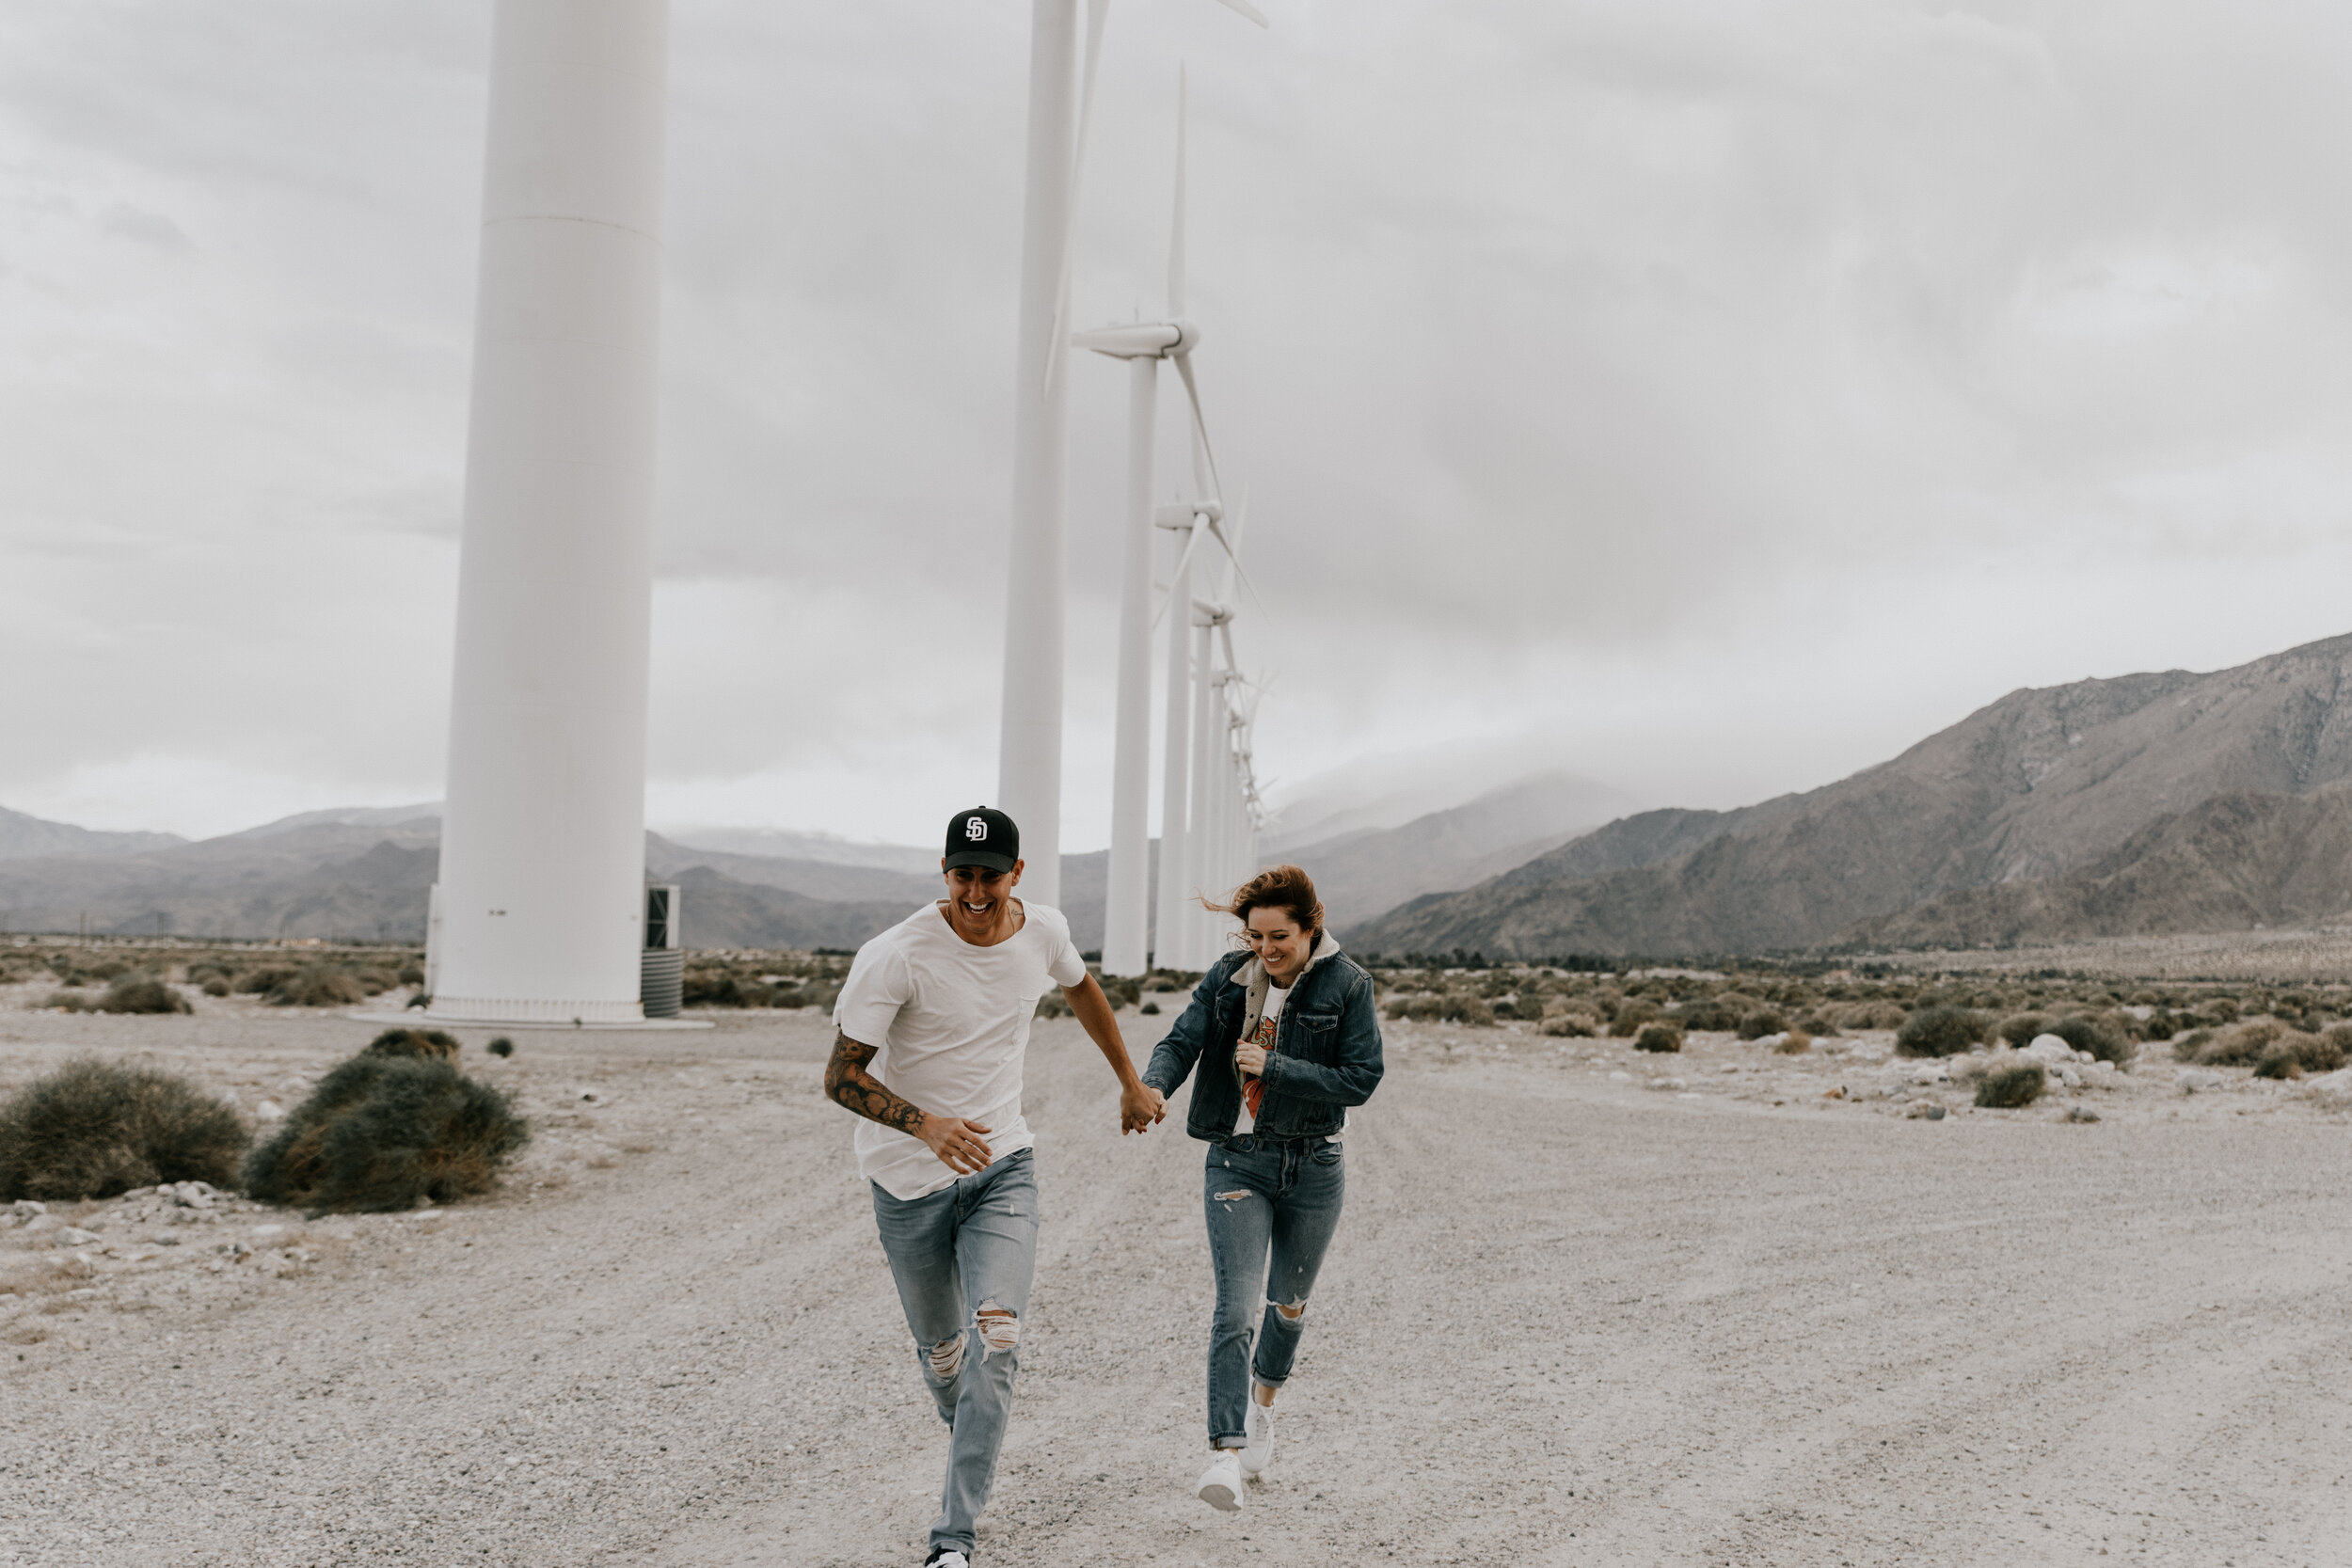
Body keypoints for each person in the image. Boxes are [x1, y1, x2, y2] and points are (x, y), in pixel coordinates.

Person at [825, 805, 1166, 1568]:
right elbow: (839, 1075)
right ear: (944, 875)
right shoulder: (896, 956)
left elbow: (1082, 988)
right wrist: (924, 1125)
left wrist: (1129, 1081)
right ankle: (967, 1419)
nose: (975, 892)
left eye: (990, 875)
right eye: (961, 875)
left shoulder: (1042, 929)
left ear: (1017, 874)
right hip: (907, 1180)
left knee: (999, 1337)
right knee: (946, 1356)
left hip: (1002, 1165)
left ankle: (953, 1539)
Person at [1140, 864, 1384, 1512]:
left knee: (1288, 1304)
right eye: (1255, 936)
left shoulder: (1349, 984)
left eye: (1280, 936)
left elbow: (1361, 1077)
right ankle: (1224, 1450)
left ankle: (1263, 1406)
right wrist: (1154, 1087)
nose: (1267, 949)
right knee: (1235, 1308)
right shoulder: (1227, 977)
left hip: (1314, 1166)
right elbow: (1182, 1039)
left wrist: (1275, 1065)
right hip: (1237, 1160)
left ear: (1311, 927)